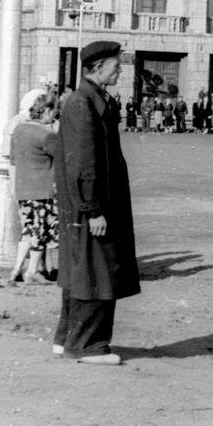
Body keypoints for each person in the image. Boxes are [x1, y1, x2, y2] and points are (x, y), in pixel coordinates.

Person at [51, 40, 139, 366]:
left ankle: (67, 339)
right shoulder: (82, 104)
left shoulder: (90, 100)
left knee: (82, 270)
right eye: (115, 64)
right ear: (97, 66)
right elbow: (82, 162)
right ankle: (88, 346)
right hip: (93, 207)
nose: (120, 68)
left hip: (91, 205)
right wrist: (93, 208)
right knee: (97, 272)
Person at [8, 88, 60, 285]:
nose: (54, 117)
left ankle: (16, 269)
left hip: (22, 189)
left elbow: (13, 160)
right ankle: (32, 272)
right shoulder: (46, 135)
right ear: (46, 111)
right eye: (53, 113)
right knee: (42, 230)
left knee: (28, 230)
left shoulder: (19, 129)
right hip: (42, 190)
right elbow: (62, 159)